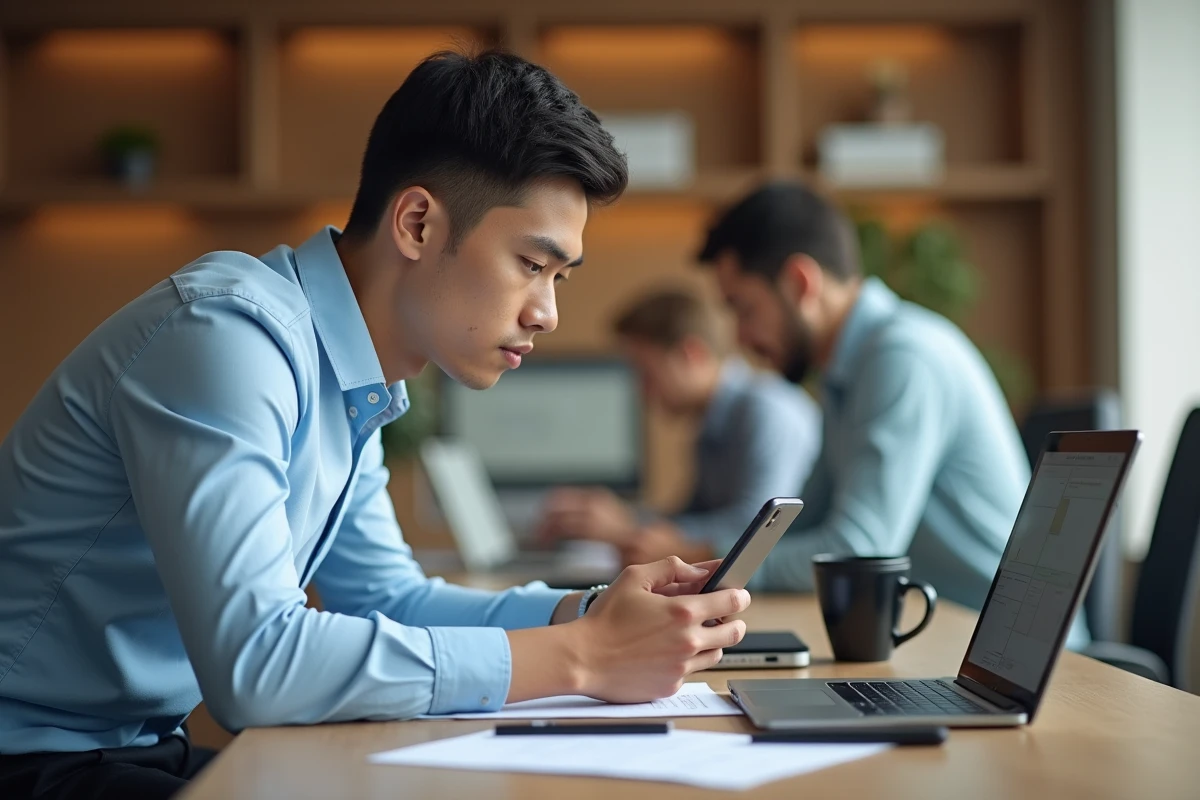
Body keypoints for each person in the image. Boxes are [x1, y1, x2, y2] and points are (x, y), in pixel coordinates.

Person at [0, 50, 751, 799]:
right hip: (31, 760)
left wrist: (589, 613)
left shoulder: (353, 378)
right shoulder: (228, 337)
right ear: (418, 224)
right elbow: (257, 667)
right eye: (531, 264)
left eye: (559, 277)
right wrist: (583, 656)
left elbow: (387, 598)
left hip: (130, 752)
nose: (547, 313)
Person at [624, 180, 1039, 617]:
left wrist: (711, 564)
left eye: (744, 308)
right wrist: (701, 556)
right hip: (940, 627)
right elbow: (809, 520)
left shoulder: (902, 357)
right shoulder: (848, 369)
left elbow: (858, 553)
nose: (740, 338)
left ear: (800, 283)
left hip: (1001, 640)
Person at [536, 288, 821, 566]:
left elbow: (759, 528)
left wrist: (626, 528)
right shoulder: (711, 423)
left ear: (690, 354)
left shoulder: (767, 411)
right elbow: (692, 517)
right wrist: (622, 518)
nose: (642, 392)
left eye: (646, 372)